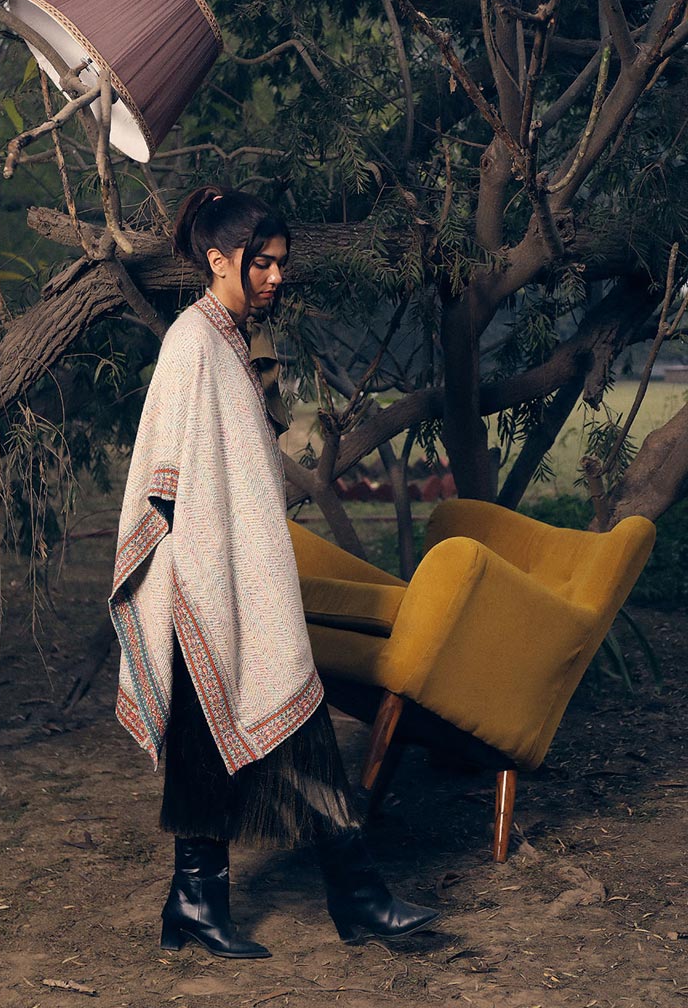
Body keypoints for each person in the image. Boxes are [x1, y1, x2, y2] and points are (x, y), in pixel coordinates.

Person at [109, 185, 438, 959]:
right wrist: (209, 569)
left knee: (232, 736)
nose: (276, 276)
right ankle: (344, 899)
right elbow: (165, 476)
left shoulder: (233, 338)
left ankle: (204, 901)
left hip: (234, 578)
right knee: (271, 731)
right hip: (203, 582)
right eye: (261, 262)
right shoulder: (193, 341)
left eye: (280, 263)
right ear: (217, 260)